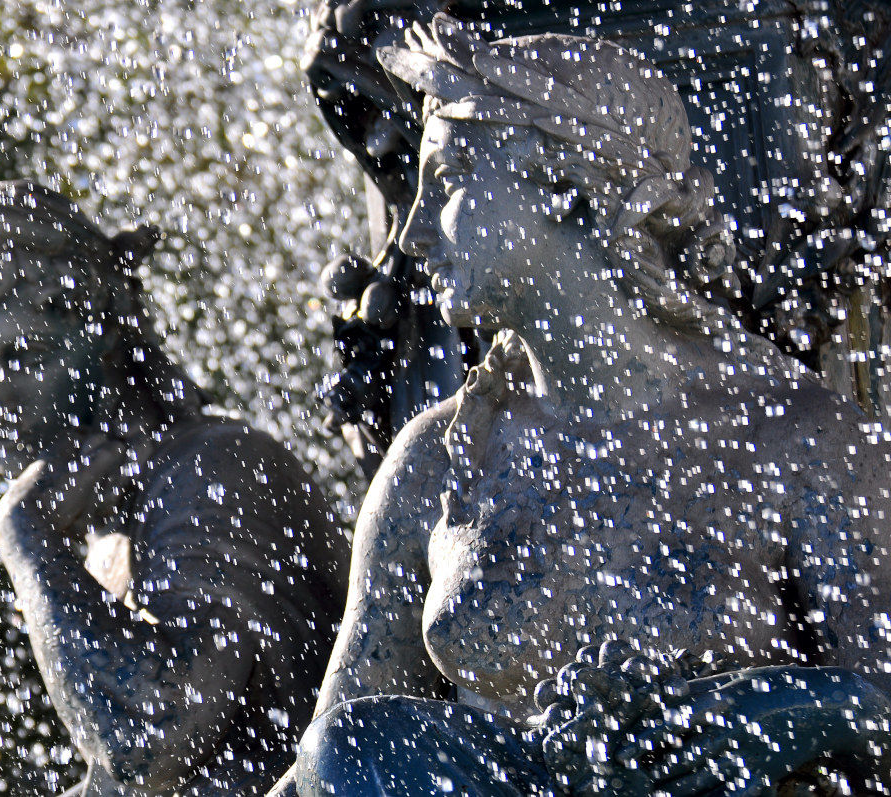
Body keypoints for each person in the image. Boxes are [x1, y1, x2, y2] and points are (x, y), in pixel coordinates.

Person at [279, 19, 891, 795]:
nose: (414, 230)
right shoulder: (438, 459)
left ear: (570, 185)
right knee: (358, 738)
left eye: (456, 172)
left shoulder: (797, 439)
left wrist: (780, 708)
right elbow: (320, 766)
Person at [0, 180, 346, 795]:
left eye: (25, 352)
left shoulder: (214, 468)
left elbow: (147, 744)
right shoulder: (107, 523)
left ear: (104, 331)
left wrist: (24, 537)